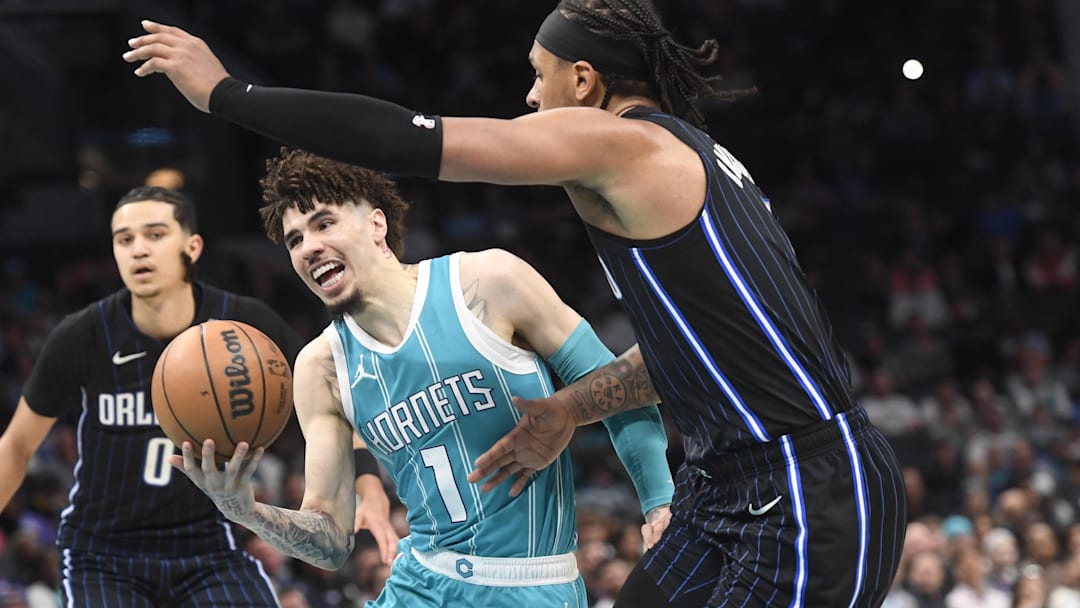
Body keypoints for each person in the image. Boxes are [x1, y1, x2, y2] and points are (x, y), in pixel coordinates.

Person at [124, 0, 907, 604]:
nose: (529, 98)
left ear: (584, 82)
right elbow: (694, 348)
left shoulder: (621, 146)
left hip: (806, 488)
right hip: (735, 487)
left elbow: (406, 139)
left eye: (539, 75)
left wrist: (227, 93)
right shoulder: (676, 165)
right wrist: (568, 407)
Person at [169, 148, 674, 607]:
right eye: (295, 240)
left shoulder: (488, 282)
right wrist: (245, 509)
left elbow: (619, 392)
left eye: (324, 224)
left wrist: (658, 503)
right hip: (419, 584)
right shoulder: (320, 366)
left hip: (534, 584)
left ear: (376, 224)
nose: (308, 248)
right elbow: (330, 540)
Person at [0, 185, 396, 606]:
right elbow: (17, 444)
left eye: (154, 235)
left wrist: (370, 490)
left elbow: (332, 412)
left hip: (207, 545)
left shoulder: (246, 323)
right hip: (103, 552)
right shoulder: (82, 335)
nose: (138, 250)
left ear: (192, 246)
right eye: (124, 239)